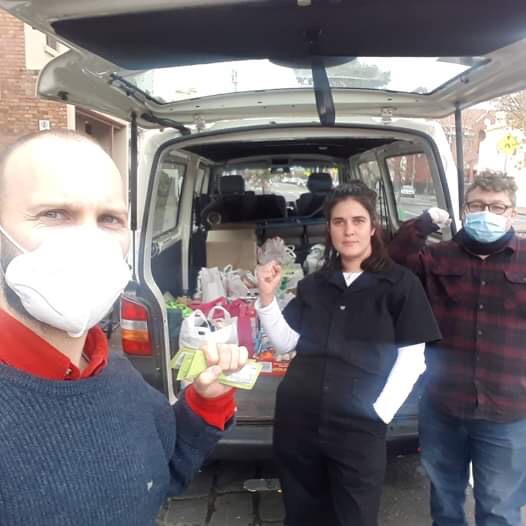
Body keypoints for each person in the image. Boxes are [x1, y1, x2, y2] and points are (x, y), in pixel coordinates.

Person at [0, 129, 248, 526]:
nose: (88, 242)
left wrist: (206, 400)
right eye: (54, 214)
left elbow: (157, 472)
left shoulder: (111, 370)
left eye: (109, 219)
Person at [255, 181, 441, 526]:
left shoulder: (400, 286)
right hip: (298, 420)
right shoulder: (316, 284)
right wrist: (267, 299)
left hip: (359, 427)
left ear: (373, 227)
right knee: (302, 512)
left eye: (357, 220)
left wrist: (378, 414)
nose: (348, 230)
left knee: (354, 515)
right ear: (330, 229)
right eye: (339, 222)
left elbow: (413, 360)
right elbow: (285, 343)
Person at [389, 172, 526, 526]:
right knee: (445, 504)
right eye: (478, 205)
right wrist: (421, 225)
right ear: (465, 209)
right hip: (443, 407)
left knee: (499, 510)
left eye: (497, 207)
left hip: (507, 411)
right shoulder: (437, 257)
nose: (487, 212)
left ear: (512, 213)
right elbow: (394, 260)